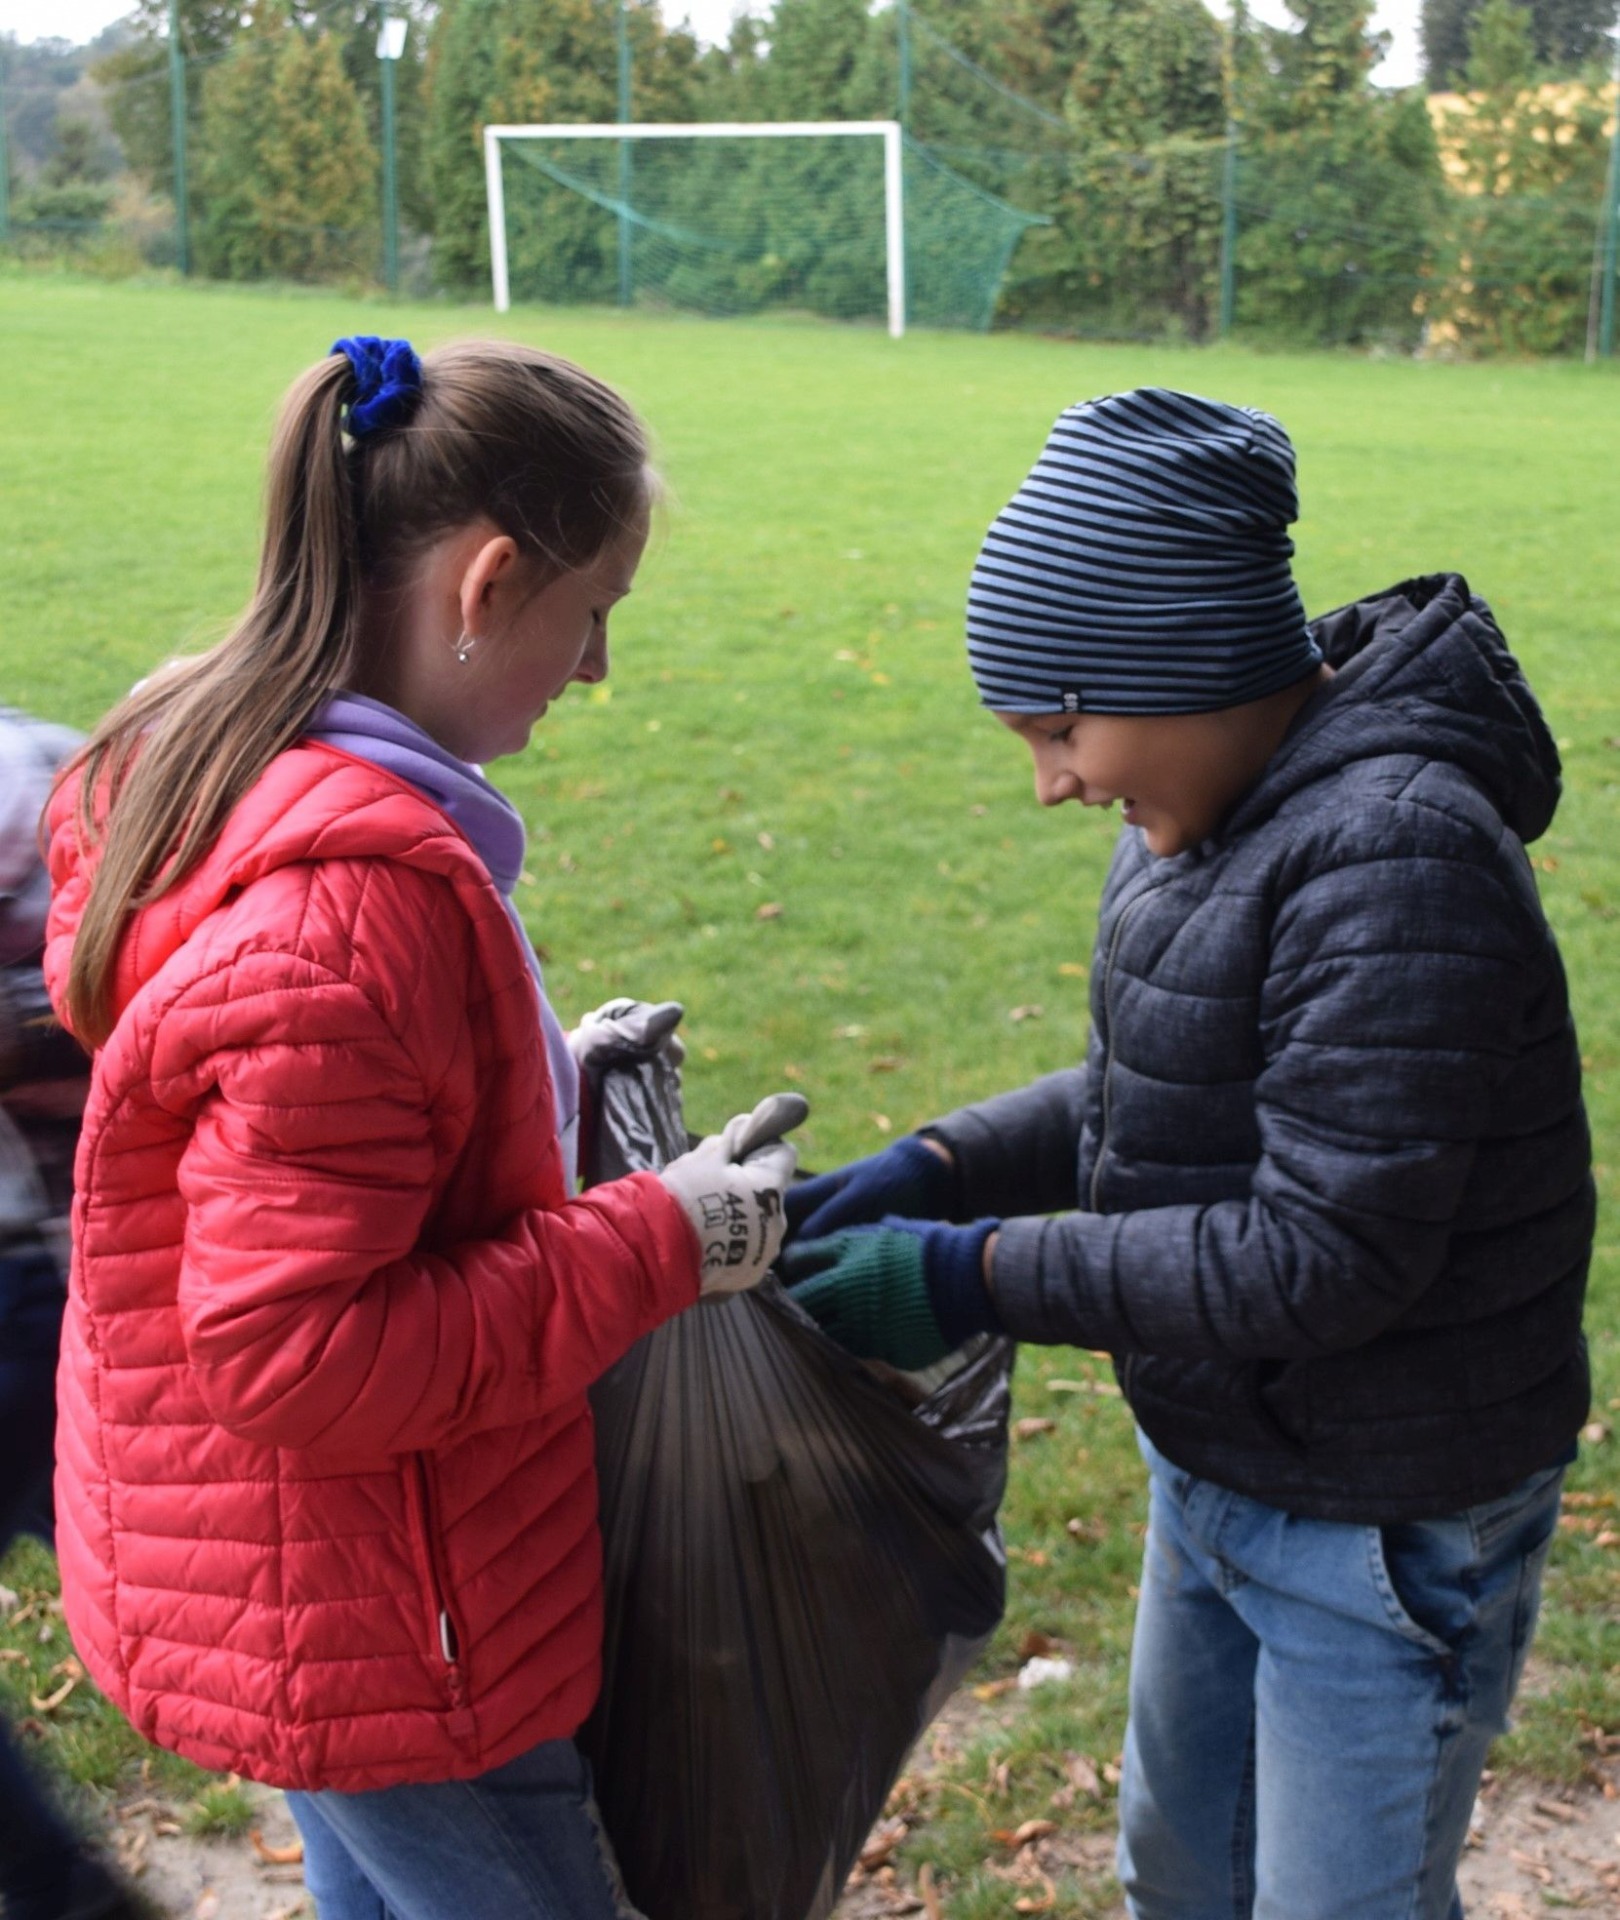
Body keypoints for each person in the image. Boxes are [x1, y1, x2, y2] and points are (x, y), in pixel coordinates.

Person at [780, 388, 1592, 1920]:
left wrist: (973, 1274)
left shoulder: (1398, 854)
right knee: (1183, 1869)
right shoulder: (1210, 812)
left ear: (1180, 662)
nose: (1052, 780)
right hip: (1223, 1464)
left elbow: (1324, 1250)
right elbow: (1171, 1082)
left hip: (1385, 1515)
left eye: (1061, 728)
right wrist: (945, 1166)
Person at [43, 335, 799, 1920]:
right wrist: (671, 1234)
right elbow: (301, 1351)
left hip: (321, 1584)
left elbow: (320, 1134)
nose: (595, 671)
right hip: (384, 1608)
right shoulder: (346, 909)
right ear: (488, 580)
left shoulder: (225, 772)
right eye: (592, 615)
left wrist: (556, 1080)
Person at [0, 710, 157, 1920]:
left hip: (59, 1288)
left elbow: (128, 998)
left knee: (252, 1612)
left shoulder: (44, 774)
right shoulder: (55, 755)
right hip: (94, 1280)